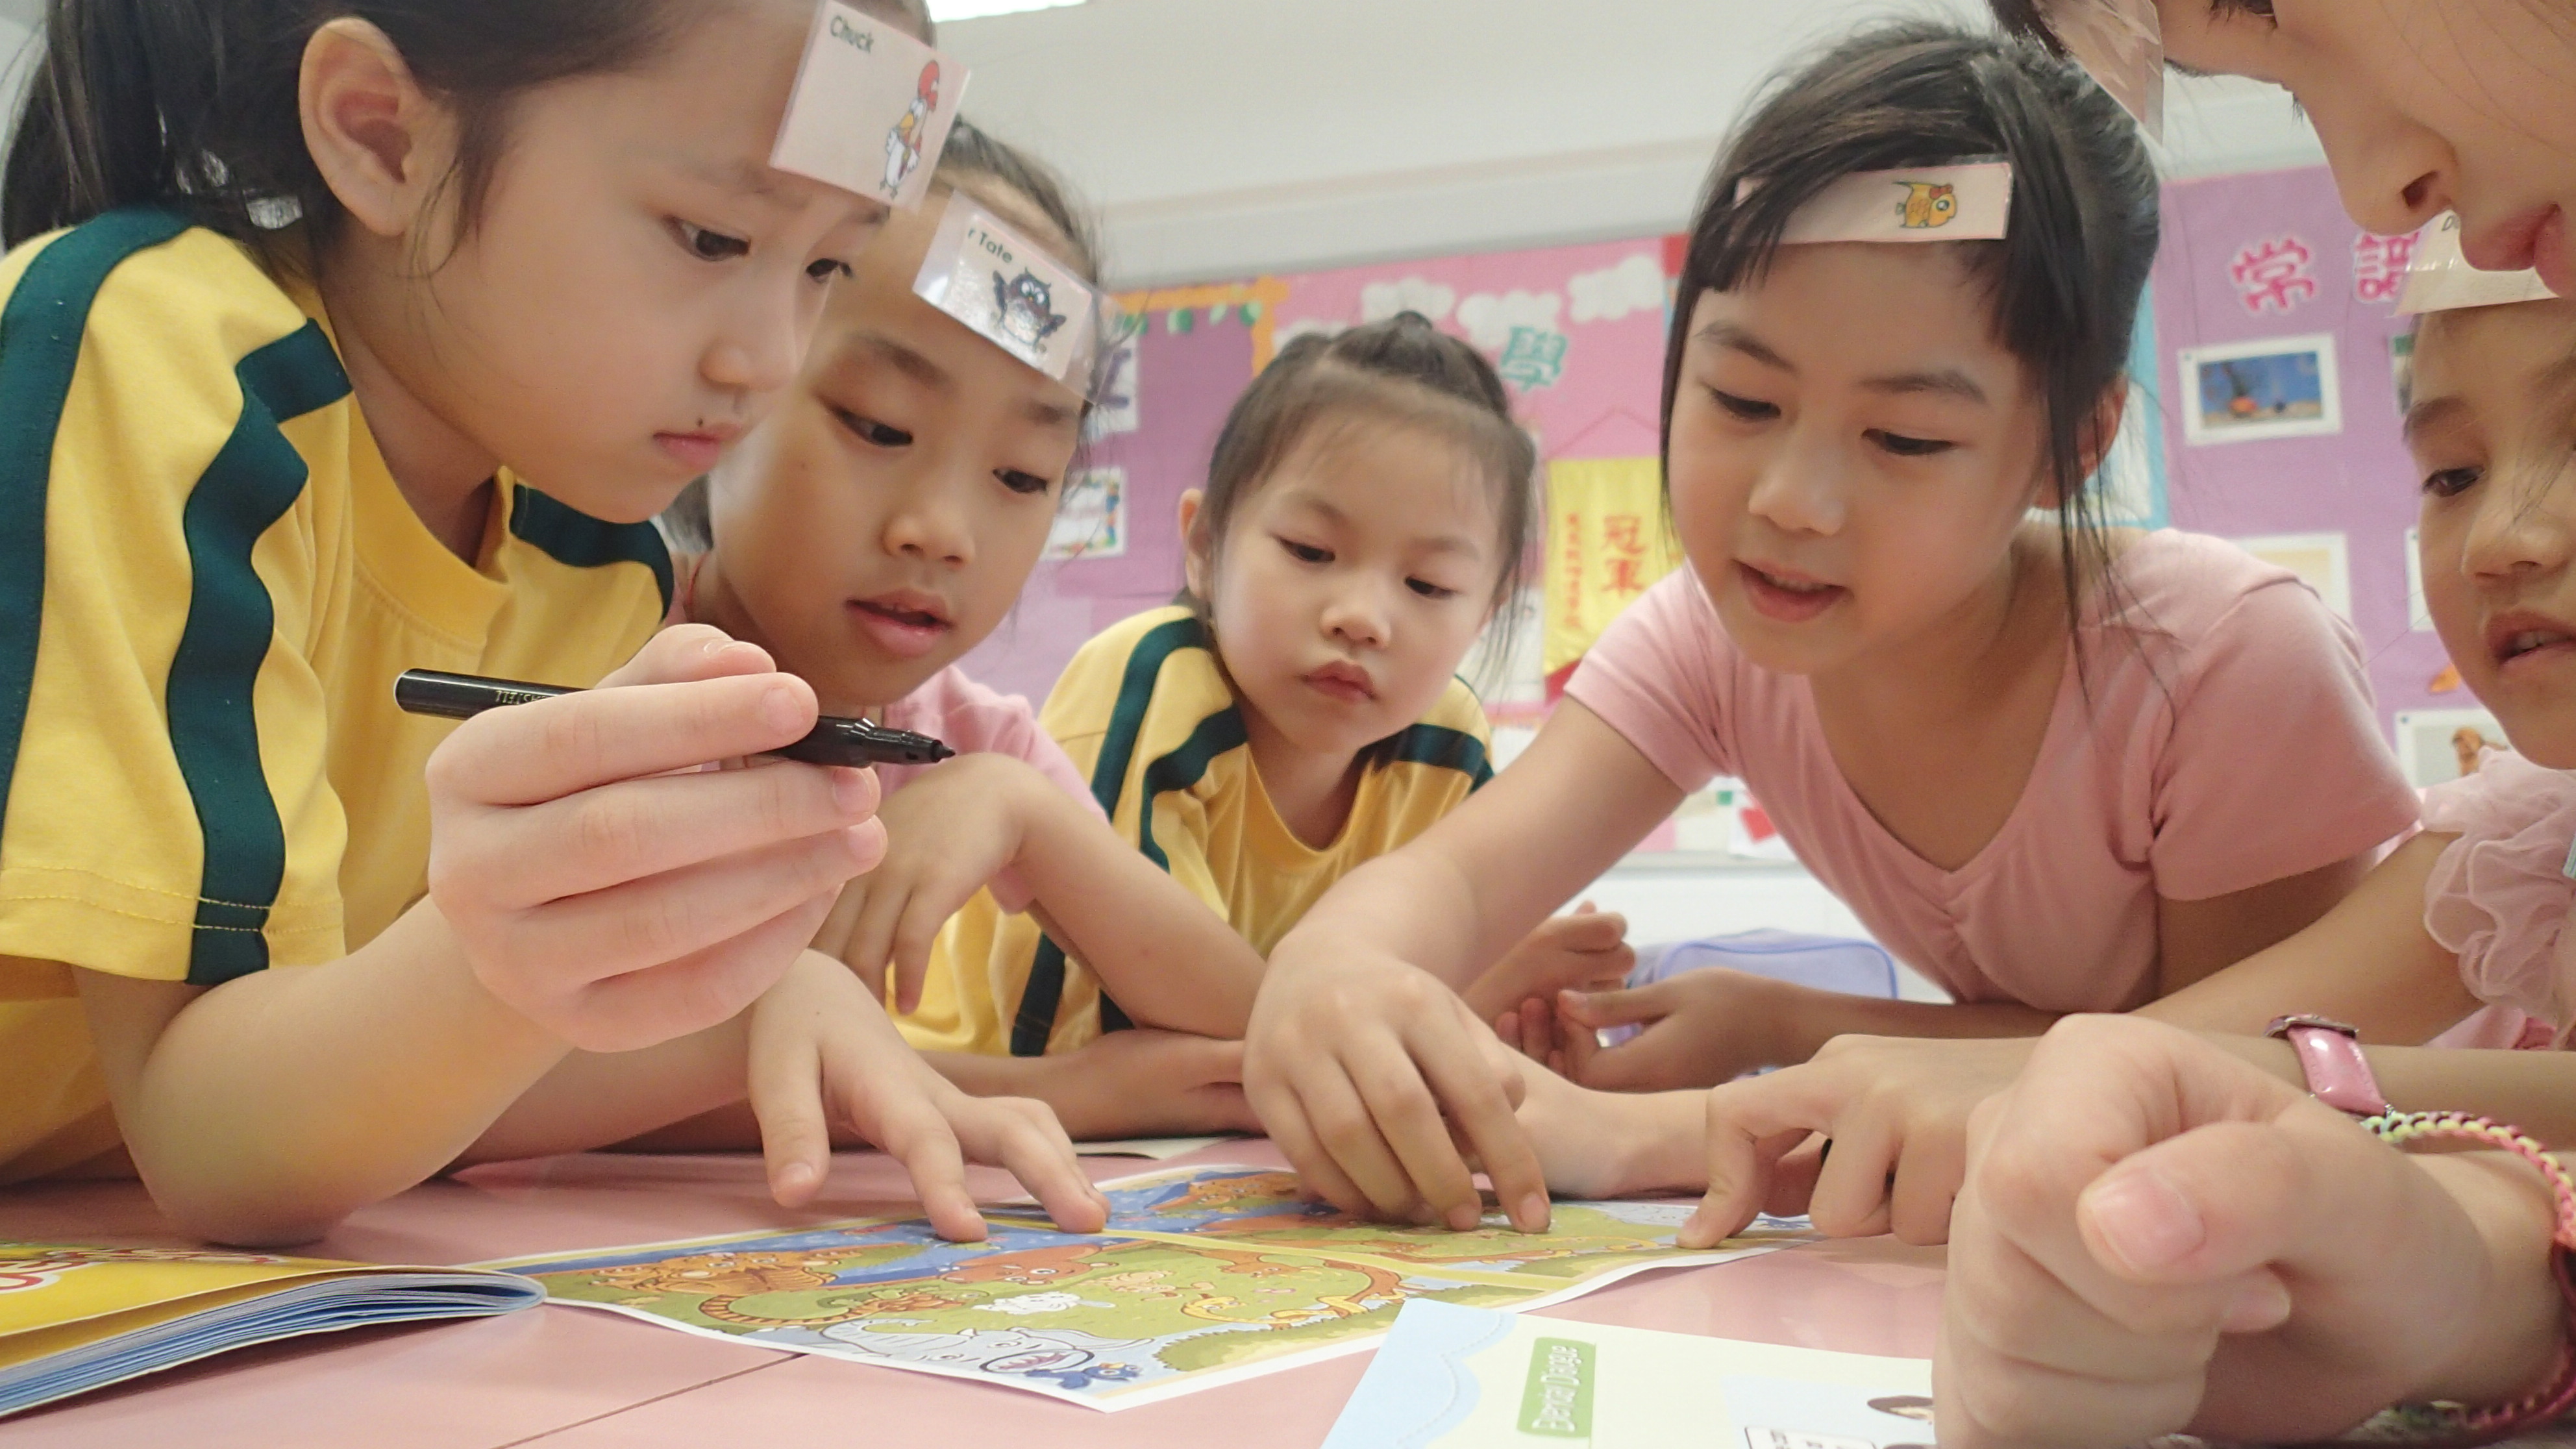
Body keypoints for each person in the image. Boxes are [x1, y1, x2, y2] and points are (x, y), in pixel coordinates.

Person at [1246, 19, 2418, 1235]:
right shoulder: (1706, 637)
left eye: (1903, 438)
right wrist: (1330, 969)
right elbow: (1449, 879)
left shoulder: (2221, 664)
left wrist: (1668, 1122)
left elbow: (2230, 1079)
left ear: (2071, 447)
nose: (1787, 502)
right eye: (1740, 398)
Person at [0, 0, 1104, 1246]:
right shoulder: (160, 359)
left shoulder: (594, 554)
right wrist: (543, 959)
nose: (770, 356)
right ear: (383, 136)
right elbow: (212, 1142)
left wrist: (760, 1006)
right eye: (710, 235)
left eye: (825, 266)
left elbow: (388, 1085)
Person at [648, 122, 1269, 1145]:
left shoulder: (968, 742)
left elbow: (1242, 1024)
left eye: (1023, 476)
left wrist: (1021, 809)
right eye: (880, 426)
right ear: (736, 380)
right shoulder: (596, 650)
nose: (941, 531)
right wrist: (1072, 1094)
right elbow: (564, 1077)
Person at [900, 312, 1631, 1119]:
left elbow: (1364, 1018)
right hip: (983, 1086)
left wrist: (1498, 1005)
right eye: (1311, 552)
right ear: (1205, 546)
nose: (1362, 617)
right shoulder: (1155, 679)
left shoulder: (1446, 741)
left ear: (1488, 613)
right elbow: (1173, 1022)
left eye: (1427, 587)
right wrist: (1454, 997)